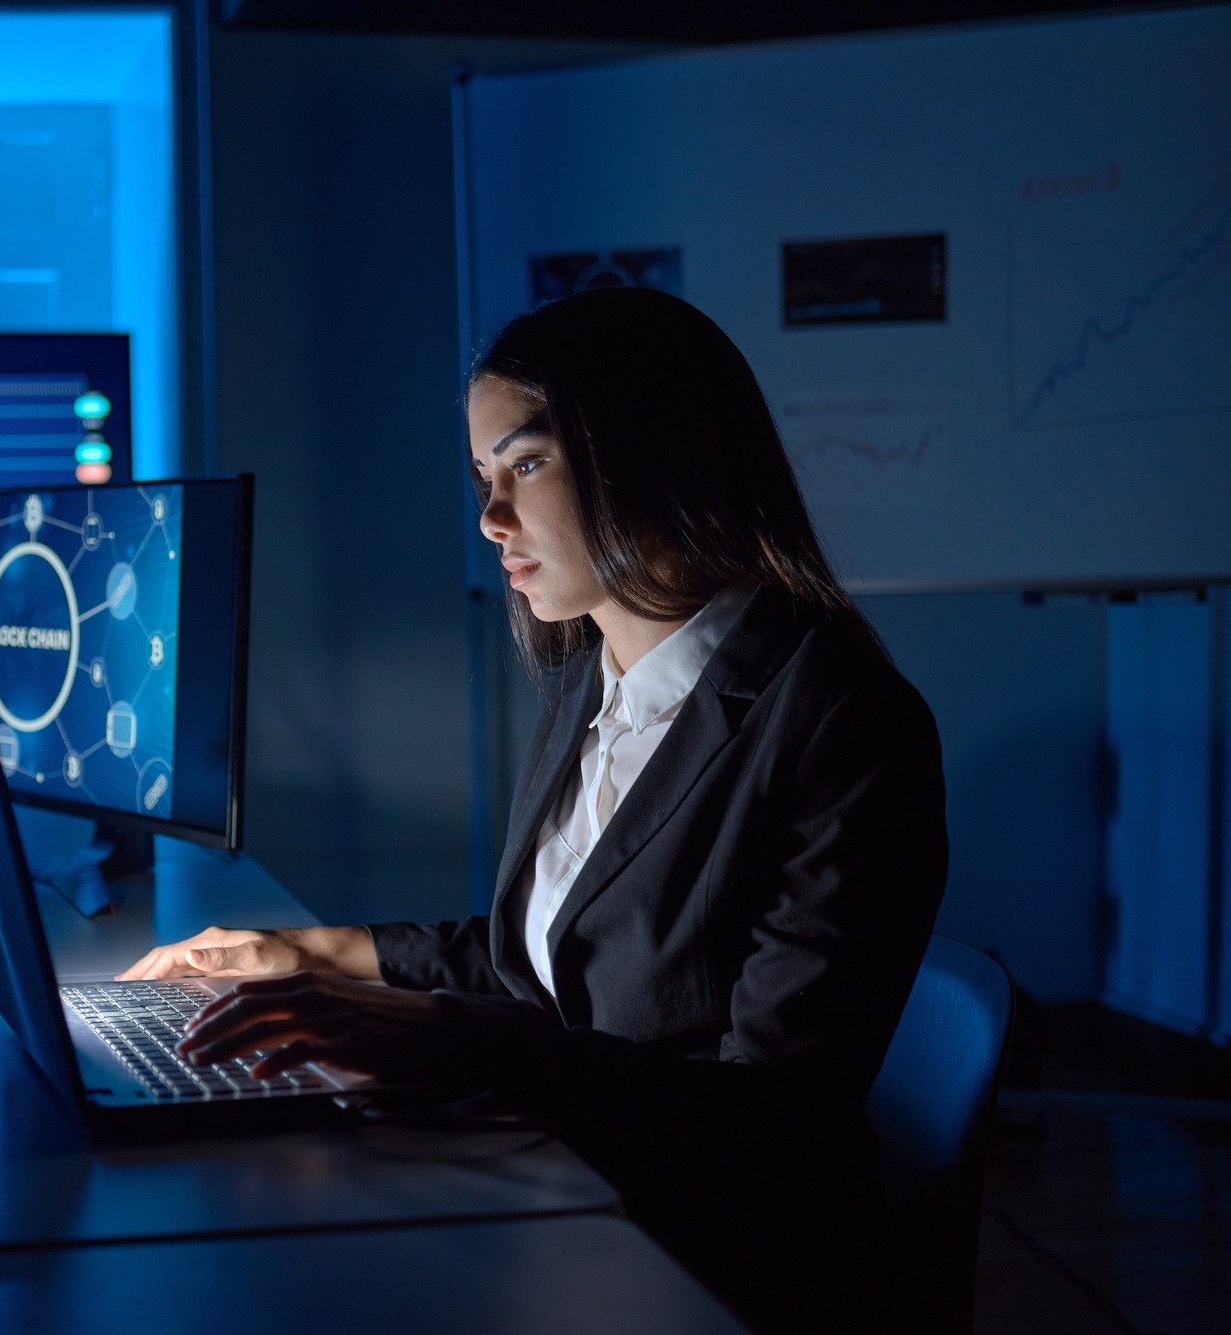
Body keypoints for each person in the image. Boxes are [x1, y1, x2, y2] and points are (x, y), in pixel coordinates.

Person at [119, 287, 948, 1333]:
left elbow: (776, 1126)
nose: (488, 517)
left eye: (524, 464)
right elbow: (563, 953)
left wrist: (456, 1039)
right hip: (570, 1176)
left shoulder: (840, 719)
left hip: (704, 1257)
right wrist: (322, 954)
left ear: (651, 449)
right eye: (481, 477)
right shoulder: (584, 684)